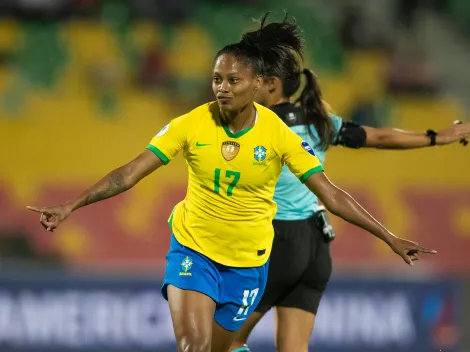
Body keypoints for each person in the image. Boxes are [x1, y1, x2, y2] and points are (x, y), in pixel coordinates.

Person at [26, 15, 436, 352]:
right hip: (194, 250)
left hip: (249, 265)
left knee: (226, 349)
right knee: (194, 348)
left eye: (232, 81)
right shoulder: (191, 124)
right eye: (216, 79)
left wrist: (389, 237)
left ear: (258, 85)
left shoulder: (277, 134)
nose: (222, 88)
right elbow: (128, 173)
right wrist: (71, 205)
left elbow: (330, 194)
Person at [230, 15, 470, 352]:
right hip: (315, 246)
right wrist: (436, 136)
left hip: (277, 240)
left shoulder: (256, 126)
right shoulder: (318, 120)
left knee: (223, 342)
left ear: (271, 84)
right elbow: (381, 135)